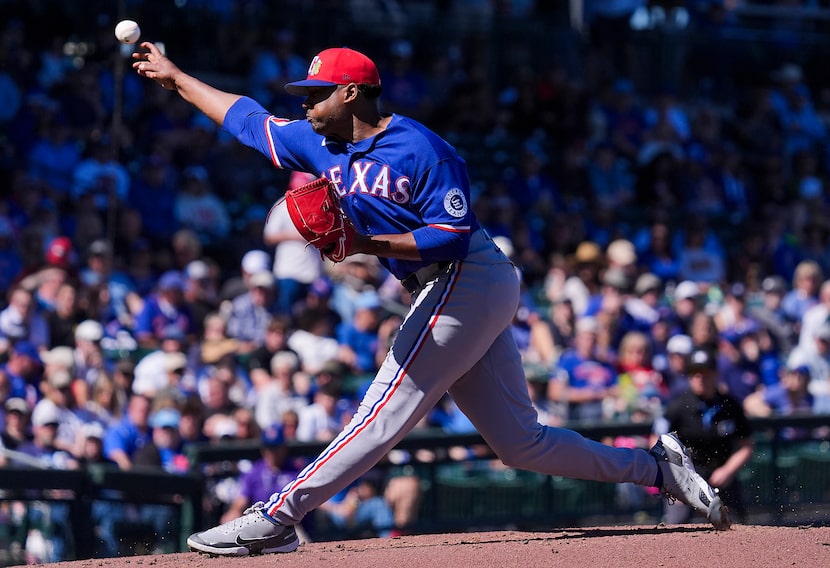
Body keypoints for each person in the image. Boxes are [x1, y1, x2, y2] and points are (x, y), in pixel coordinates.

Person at [132, 43, 729, 556]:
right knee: (520, 443)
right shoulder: (320, 146)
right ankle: (658, 468)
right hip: (451, 286)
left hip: (466, 272)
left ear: (351, 93)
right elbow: (244, 119)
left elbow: (450, 235)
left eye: (316, 93)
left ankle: (278, 519)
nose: (305, 103)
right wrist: (178, 77)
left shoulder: (422, 149)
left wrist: (363, 242)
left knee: (384, 411)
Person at [653, 348, 754, 526]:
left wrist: (728, 470)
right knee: (675, 527)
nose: (700, 379)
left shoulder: (730, 405)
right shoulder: (678, 406)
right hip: (686, 480)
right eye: (695, 374)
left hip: (722, 478)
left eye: (706, 373)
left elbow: (746, 445)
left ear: (716, 375)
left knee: (738, 528)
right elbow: (656, 440)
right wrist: (672, 479)